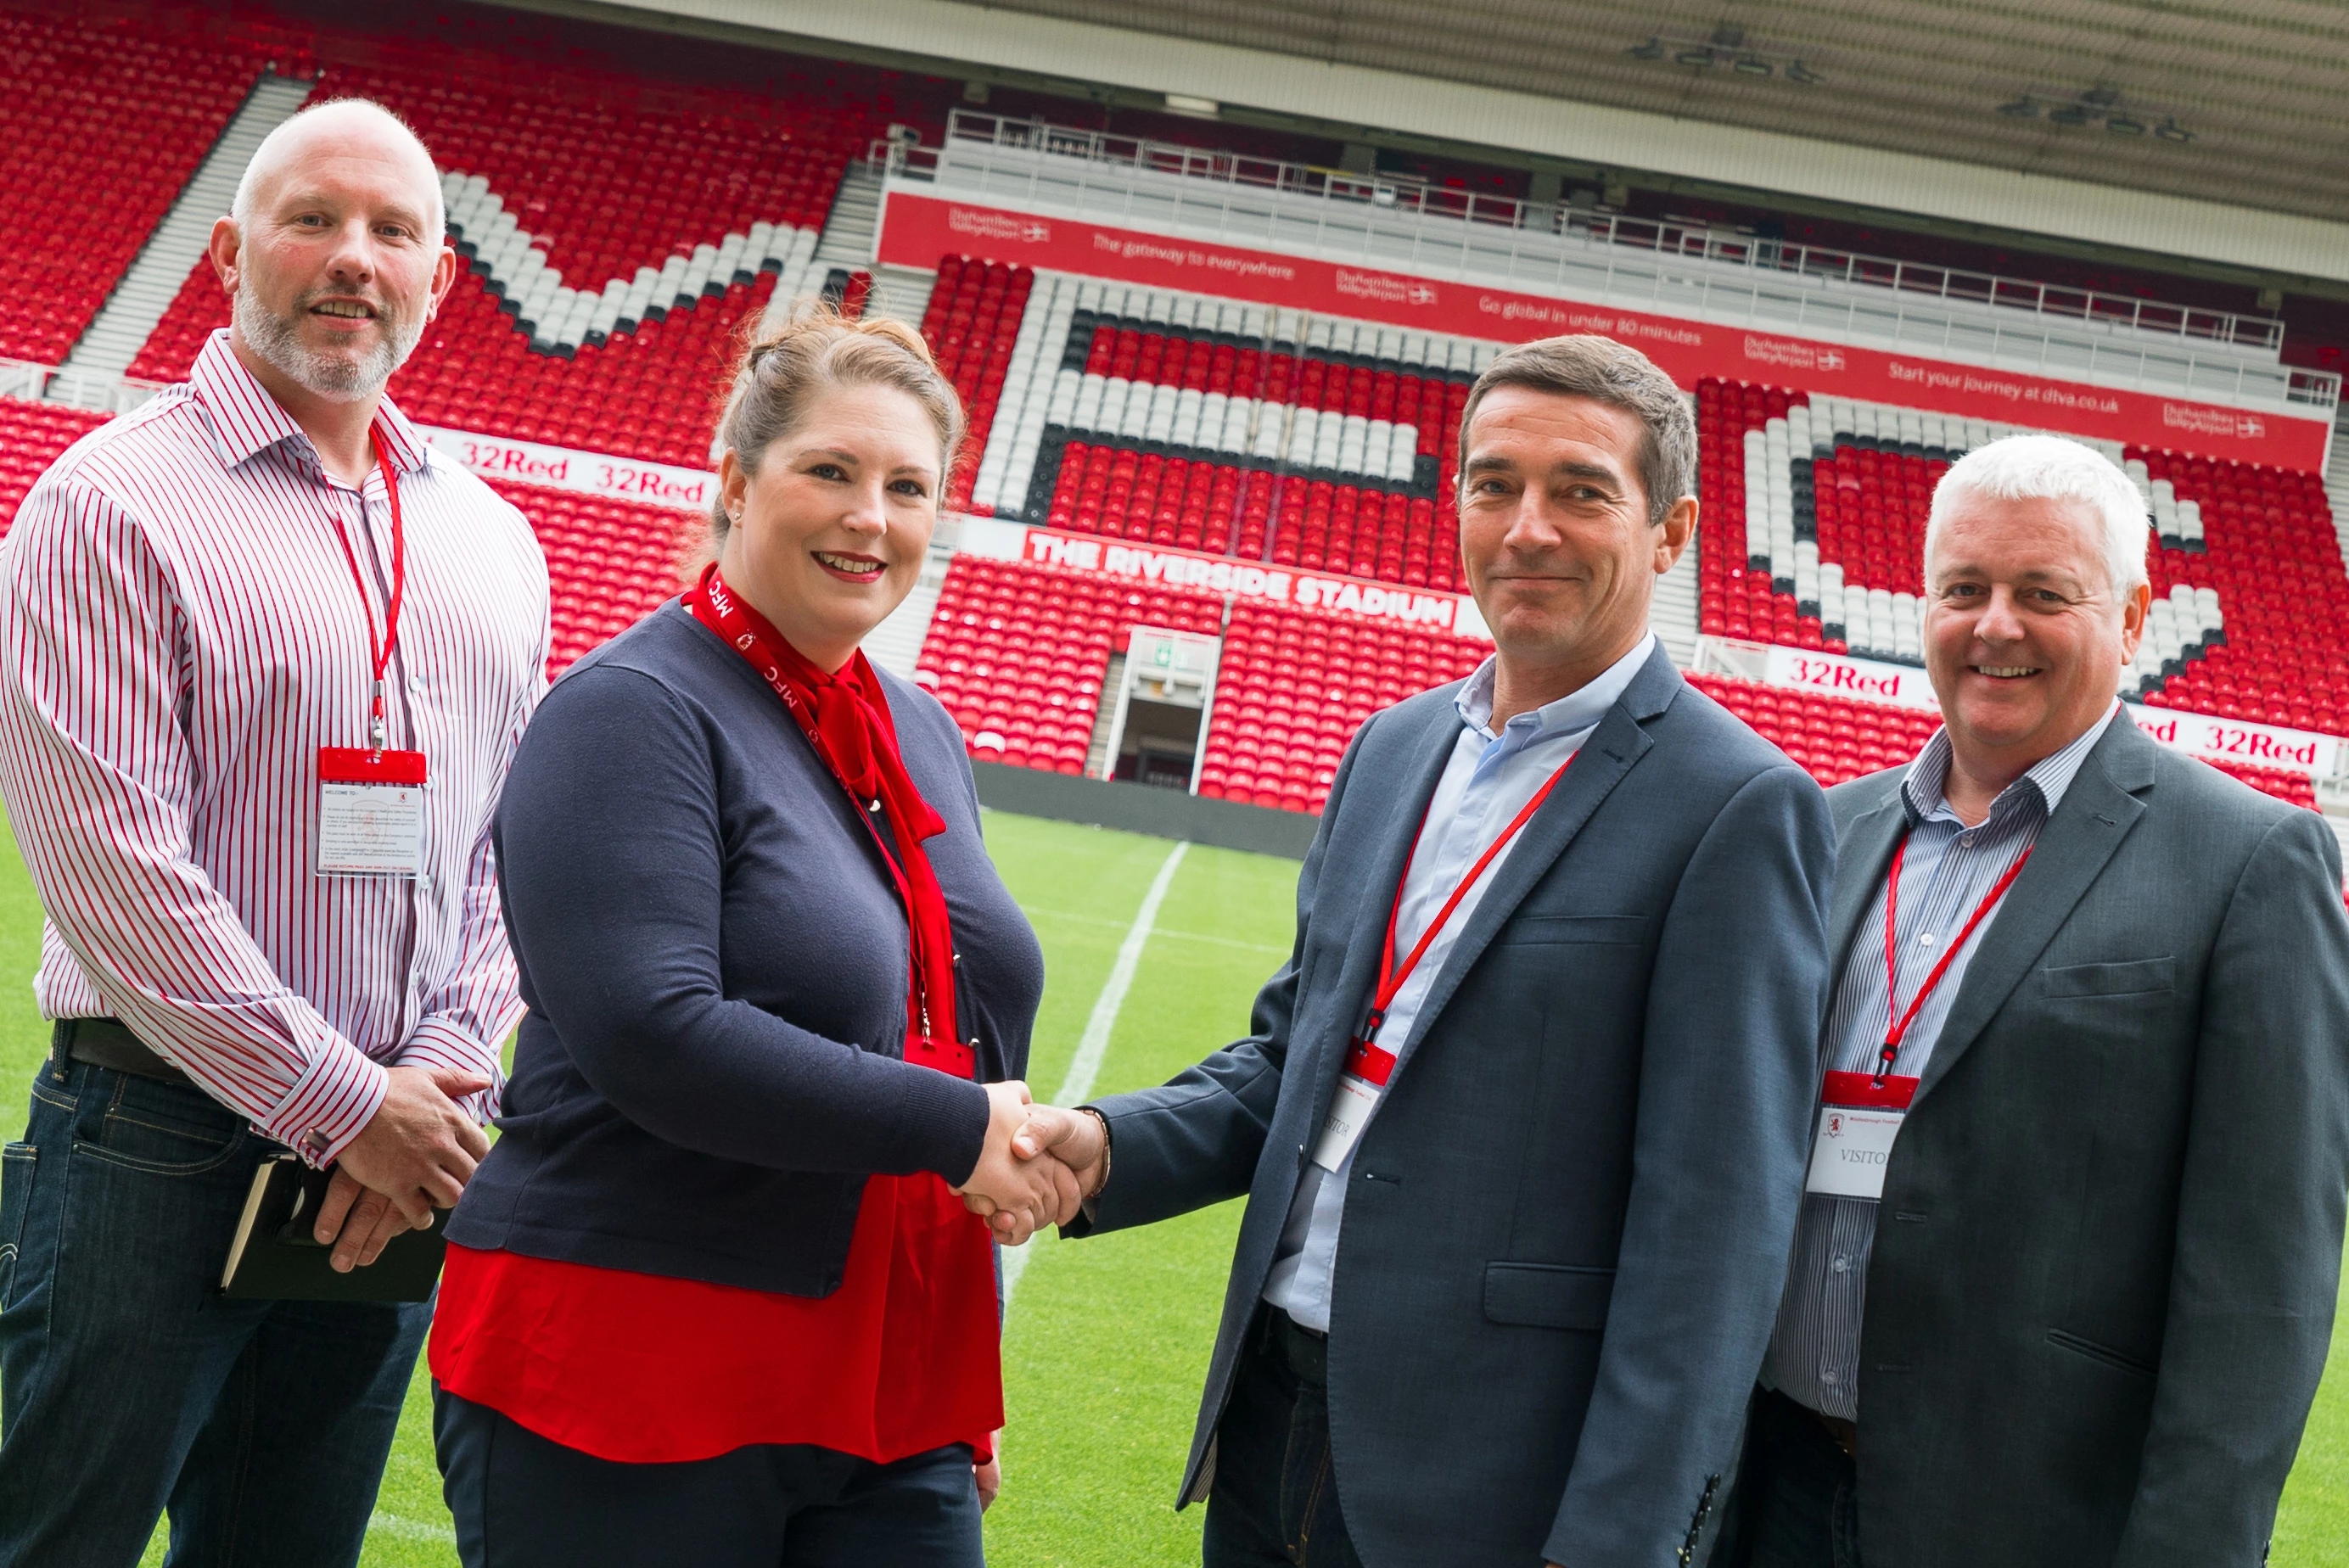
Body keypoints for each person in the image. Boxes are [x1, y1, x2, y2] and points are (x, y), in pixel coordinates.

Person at [1001, 334, 1836, 1565]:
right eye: (1494, 483)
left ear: (1673, 531)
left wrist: (1623, 1543)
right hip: (1274, 1403)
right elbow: (1302, 1057)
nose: (1527, 527)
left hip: (1492, 1470)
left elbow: (1713, 1237)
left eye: (1581, 491)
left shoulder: (1738, 805)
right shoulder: (1391, 749)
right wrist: (1114, 1143)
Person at [429, 305, 1068, 1568]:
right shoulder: (628, 708)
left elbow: (963, 1018)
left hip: (889, 1395)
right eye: (829, 470)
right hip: (633, 1374)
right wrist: (957, 1130)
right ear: (735, 483)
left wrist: (951, 1348)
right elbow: (651, 1032)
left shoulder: (919, 726)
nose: (868, 517)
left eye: (906, 486)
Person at [0, 100, 547, 1565]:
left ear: (440, 277)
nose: (353, 259)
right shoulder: (106, 505)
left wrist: (433, 1072)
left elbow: (513, 850)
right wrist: (347, 1104)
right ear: (231, 252)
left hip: (397, 1163)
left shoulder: (492, 539)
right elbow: (117, 872)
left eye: (395, 232)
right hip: (153, 1148)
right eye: (314, 220)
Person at [1722, 434, 2349, 1567]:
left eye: (2044, 593)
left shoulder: (2251, 862)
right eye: (1964, 589)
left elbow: (2262, 1288)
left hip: (2028, 1517)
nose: (1994, 625)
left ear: (2132, 613)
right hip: (1771, 1488)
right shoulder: (1823, 829)